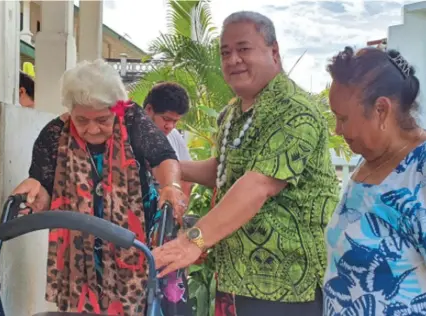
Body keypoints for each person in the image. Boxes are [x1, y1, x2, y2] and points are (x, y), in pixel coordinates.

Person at [153, 11, 340, 315]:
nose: (232, 60)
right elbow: (223, 170)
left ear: (274, 52)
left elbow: (258, 185)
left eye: (244, 49)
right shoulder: (233, 113)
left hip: (283, 285)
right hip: (234, 276)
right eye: (225, 52)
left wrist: (192, 241)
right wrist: (167, 165)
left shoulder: (294, 111)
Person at [12, 59, 187, 315]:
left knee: (141, 304)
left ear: (116, 107)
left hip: (134, 240)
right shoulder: (54, 135)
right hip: (80, 247)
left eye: (102, 119)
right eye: (82, 119)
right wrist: (35, 195)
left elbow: (163, 157)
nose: (92, 128)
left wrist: (171, 185)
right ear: (70, 109)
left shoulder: (133, 119)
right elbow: (44, 186)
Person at [323, 47, 426, 315]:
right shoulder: (369, 160)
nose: (337, 129)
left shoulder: (420, 169)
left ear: (381, 110)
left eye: (343, 118)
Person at [143, 82, 193, 197]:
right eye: (166, 119)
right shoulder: (125, 136)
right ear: (149, 109)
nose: (170, 126)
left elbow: (187, 180)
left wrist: (178, 210)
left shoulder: (174, 135)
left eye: (175, 121)